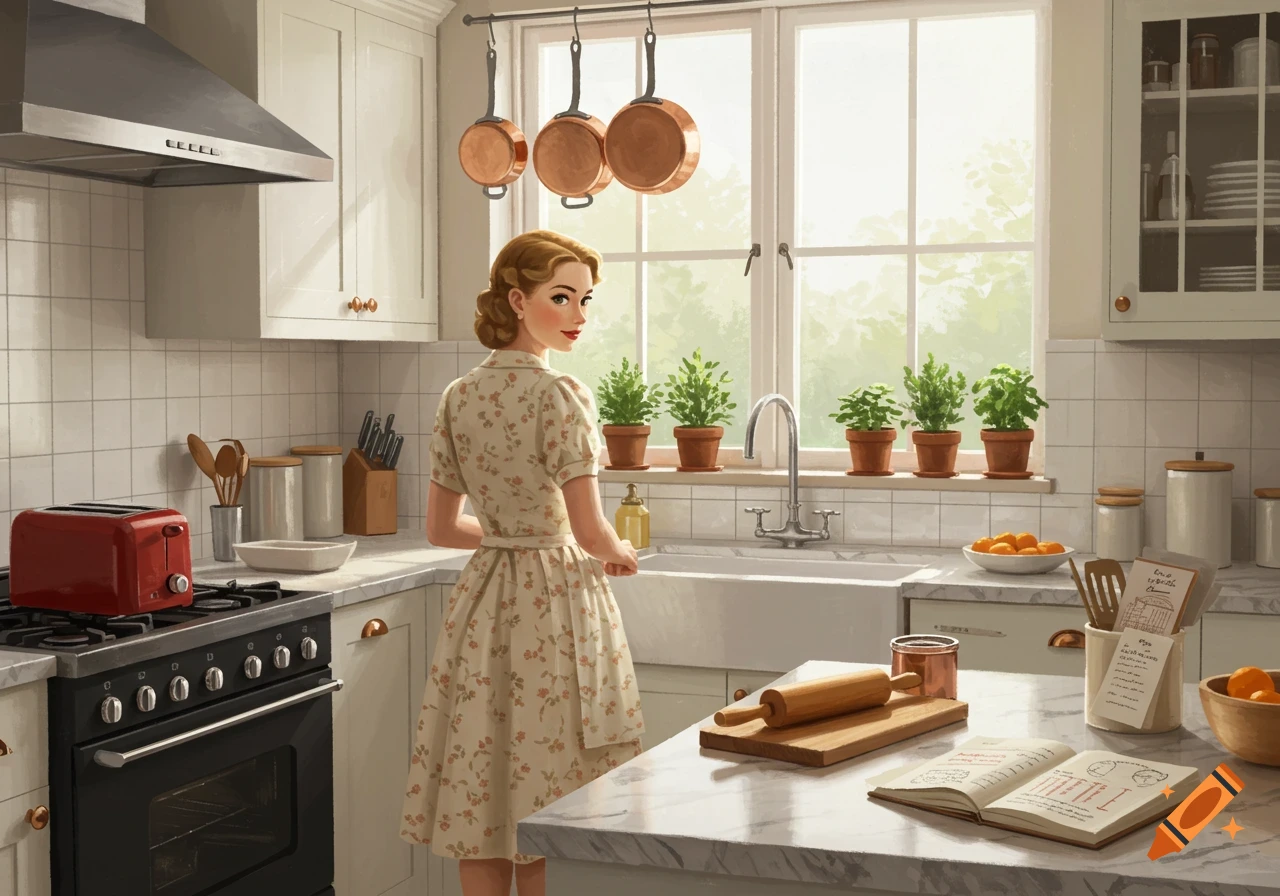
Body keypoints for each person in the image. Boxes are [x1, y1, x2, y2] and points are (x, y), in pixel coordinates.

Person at [401, 230, 646, 896]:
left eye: (584, 300)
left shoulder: (458, 396)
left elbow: (441, 529)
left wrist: (508, 534)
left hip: (483, 603)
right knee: (550, 789)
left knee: (480, 790)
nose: (577, 315)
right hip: (554, 602)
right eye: (561, 297)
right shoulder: (560, 394)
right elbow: (593, 532)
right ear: (517, 299)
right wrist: (620, 552)